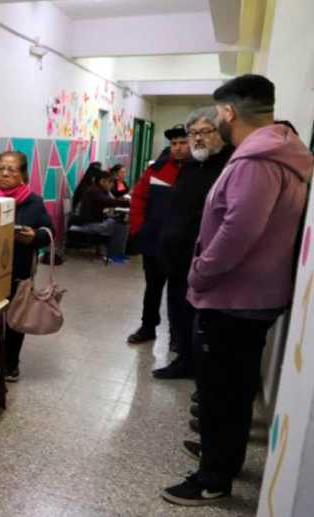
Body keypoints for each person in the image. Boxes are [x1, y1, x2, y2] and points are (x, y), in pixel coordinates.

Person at [162, 74, 313, 506]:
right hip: (251, 293)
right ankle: (220, 454)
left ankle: (213, 477)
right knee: (232, 386)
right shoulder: (276, 150)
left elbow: (238, 230)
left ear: (228, 112)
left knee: (222, 389)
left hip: (234, 297)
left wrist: (200, 272)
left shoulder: (255, 161)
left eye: (217, 115)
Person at [152, 108, 234, 380]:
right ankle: (184, 361)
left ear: (220, 133)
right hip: (175, 259)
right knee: (178, 313)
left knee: (204, 321)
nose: (197, 139)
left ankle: (203, 373)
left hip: (204, 261)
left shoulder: (229, 166)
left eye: (205, 132)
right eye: (193, 133)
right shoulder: (189, 166)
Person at [0, 150, 53, 381]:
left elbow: (48, 232)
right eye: (1, 168)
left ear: (23, 175)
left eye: (11, 169)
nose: (5, 173)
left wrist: (34, 237)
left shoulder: (34, 202)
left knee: (16, 319)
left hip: (19, 270)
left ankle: (11, 363)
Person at [127, 126, 191, 345]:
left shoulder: (200, 170)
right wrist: (138, 229)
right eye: (174, 144)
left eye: (183, 143)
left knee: (179, 291)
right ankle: (148, 327)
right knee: (153, 287)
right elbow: (138, 198)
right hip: (154, 240)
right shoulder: (156, 169)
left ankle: (176, 335)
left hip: (183, 244)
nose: (178, 148)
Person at [75, 169, 130, 260]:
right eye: (110, 182)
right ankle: (115, 255)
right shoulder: (94, 191)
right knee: (120, 225)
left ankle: (115, 253)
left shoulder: (98, 190)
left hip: (95, 221)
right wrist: (126, 203)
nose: (112, 185)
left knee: (119, 223)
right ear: (102, 181)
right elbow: (107, 201)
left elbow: (109, 201)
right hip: (89, 224)